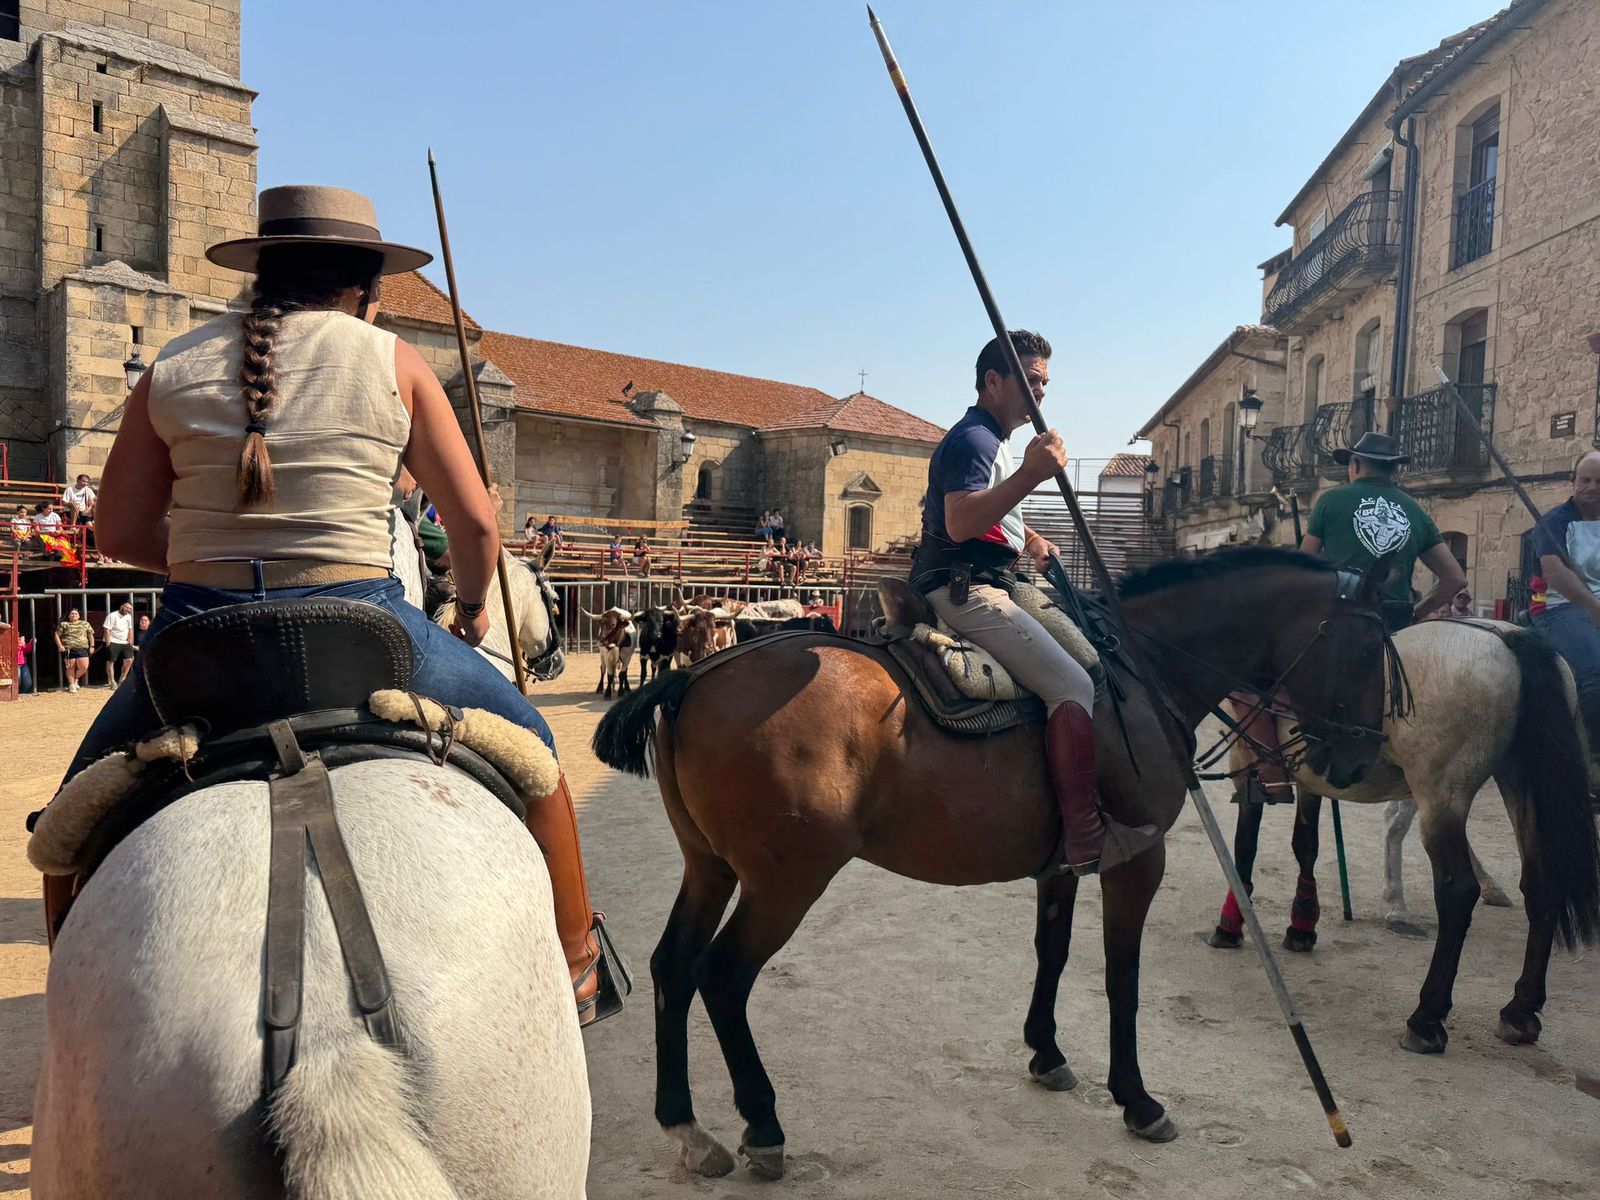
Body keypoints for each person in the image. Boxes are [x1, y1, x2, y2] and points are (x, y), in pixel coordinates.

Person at [52, 184, 615, 1022]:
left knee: (74, 812)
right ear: (365, 289)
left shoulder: (171, 365)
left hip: (199, 640)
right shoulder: (392, 361)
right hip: (362, 626)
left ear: (260, 274)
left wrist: (215, 554)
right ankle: (576, 962)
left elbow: (121, 530)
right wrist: (469, 611)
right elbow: (476, 524)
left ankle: (70, 992)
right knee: (537, 753)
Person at [909, 329, 1159, 875]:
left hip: (988, 573)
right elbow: (959, 520)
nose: (1041, 393)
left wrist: (1030, 537)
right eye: (1030, 381)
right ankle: (1086, 837)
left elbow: (992, 518)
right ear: (992, 381)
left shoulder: (990, 438)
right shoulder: (976, 440)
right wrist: (1030, 474)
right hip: (965, 588)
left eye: (1044, 383)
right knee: (1072, 684)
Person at [1302, 432, 1465, 631]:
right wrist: (1415, 615)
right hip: (1394, 623)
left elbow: (1303, 566)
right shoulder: (1414, 509)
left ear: (1355, 463)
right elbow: (1455, 578)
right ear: (1392, 468)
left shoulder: (1330, 500)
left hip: (1340, 619)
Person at [1531, 447, 1600, 751]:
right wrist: (1594, 608)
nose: (1592, 488)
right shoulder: (1555, 522)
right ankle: (1591, 754)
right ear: (1573, 481)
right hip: (1555, 606)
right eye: (1586, 480)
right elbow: (1555, 572)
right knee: (1595, 670)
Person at [54, 607, 93, 693]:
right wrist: (60, 646)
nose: (74, 615)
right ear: (68, 616)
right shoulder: (64, 624)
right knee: (71, 667)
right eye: (72, 614)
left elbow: (90, 635)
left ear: (79, 616)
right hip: (69, 648)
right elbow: (57, 635)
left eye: (75, 614)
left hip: (82, 648)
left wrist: (92, 646)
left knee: (84, 667)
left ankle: (75, 679)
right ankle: (72, 685)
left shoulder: (85, 624)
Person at [102, 600, 136, 687]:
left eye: (129, 609)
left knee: (129, 660)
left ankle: (122, 679)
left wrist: (130, 642)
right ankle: (112, 681)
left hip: (125, 642)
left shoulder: (128, 616)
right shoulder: (112, 615)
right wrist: (108, 643)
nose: (127, 609)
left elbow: (130, 629)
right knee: (111, 661)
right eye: (126, 607)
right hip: (113, 641)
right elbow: (107, 629)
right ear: (121, 606)